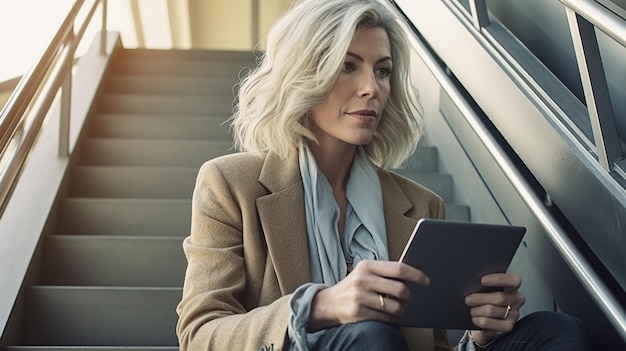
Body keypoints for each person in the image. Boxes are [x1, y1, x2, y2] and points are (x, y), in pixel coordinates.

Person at [176, 0, 592, 350]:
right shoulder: (230, 185)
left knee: (559, 331)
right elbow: (198, 334)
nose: (371, 88)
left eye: (383, 70)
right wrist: (318, 306)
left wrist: (481, 336)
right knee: (368, 336)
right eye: (348, 66)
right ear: (304, 74)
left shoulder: (422, 205)